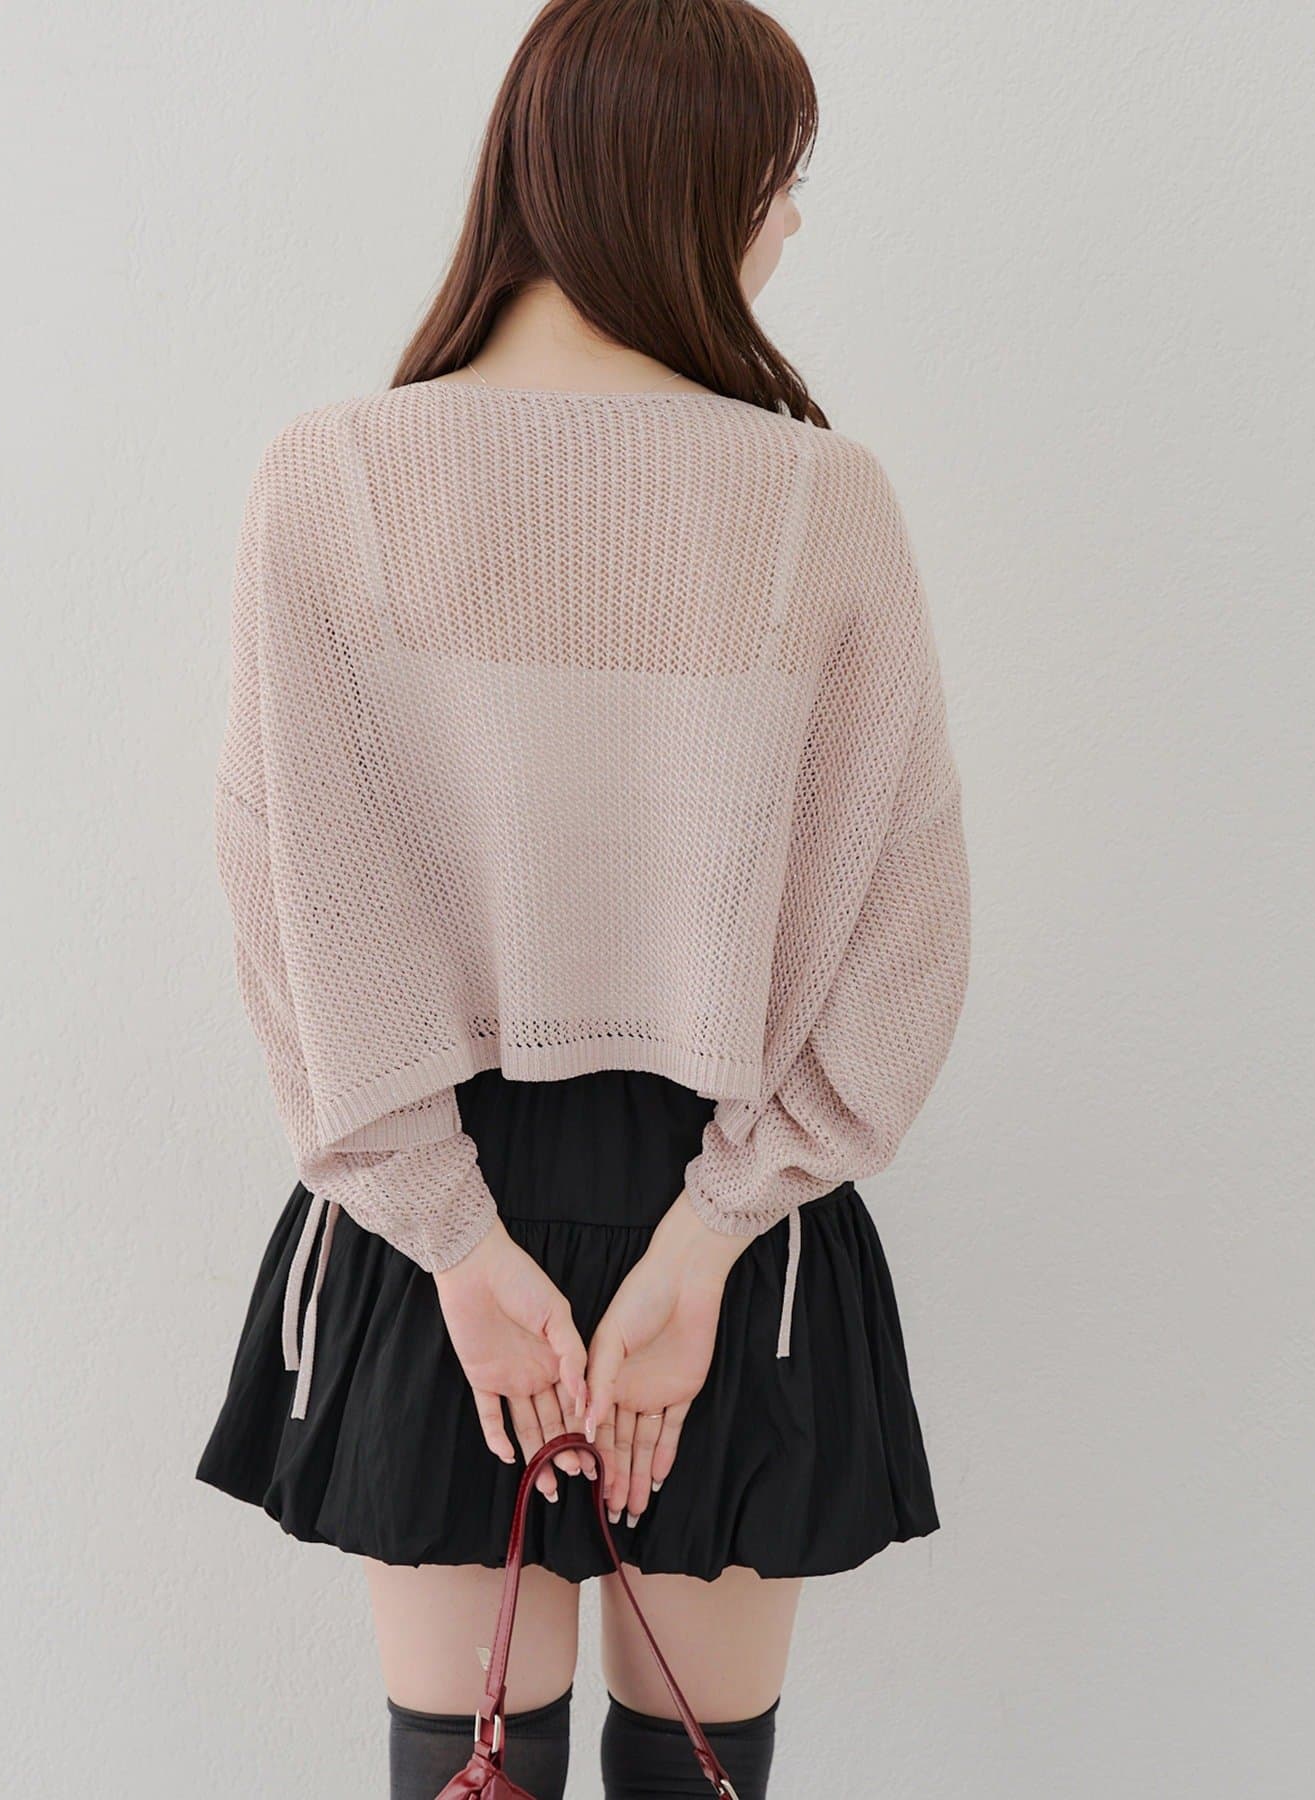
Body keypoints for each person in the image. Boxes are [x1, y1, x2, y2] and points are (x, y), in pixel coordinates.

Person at [195, 1, 971, 1793]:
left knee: (464, 1758)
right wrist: (706, 1240)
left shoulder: (333, 479)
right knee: (701, 1763)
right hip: (734, 1212)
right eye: (777, 179)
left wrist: (459, 1247)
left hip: (432, 1205)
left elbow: (295, 905)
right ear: (683, 186)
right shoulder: (818, 498)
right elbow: (902, 940)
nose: (792, 222)